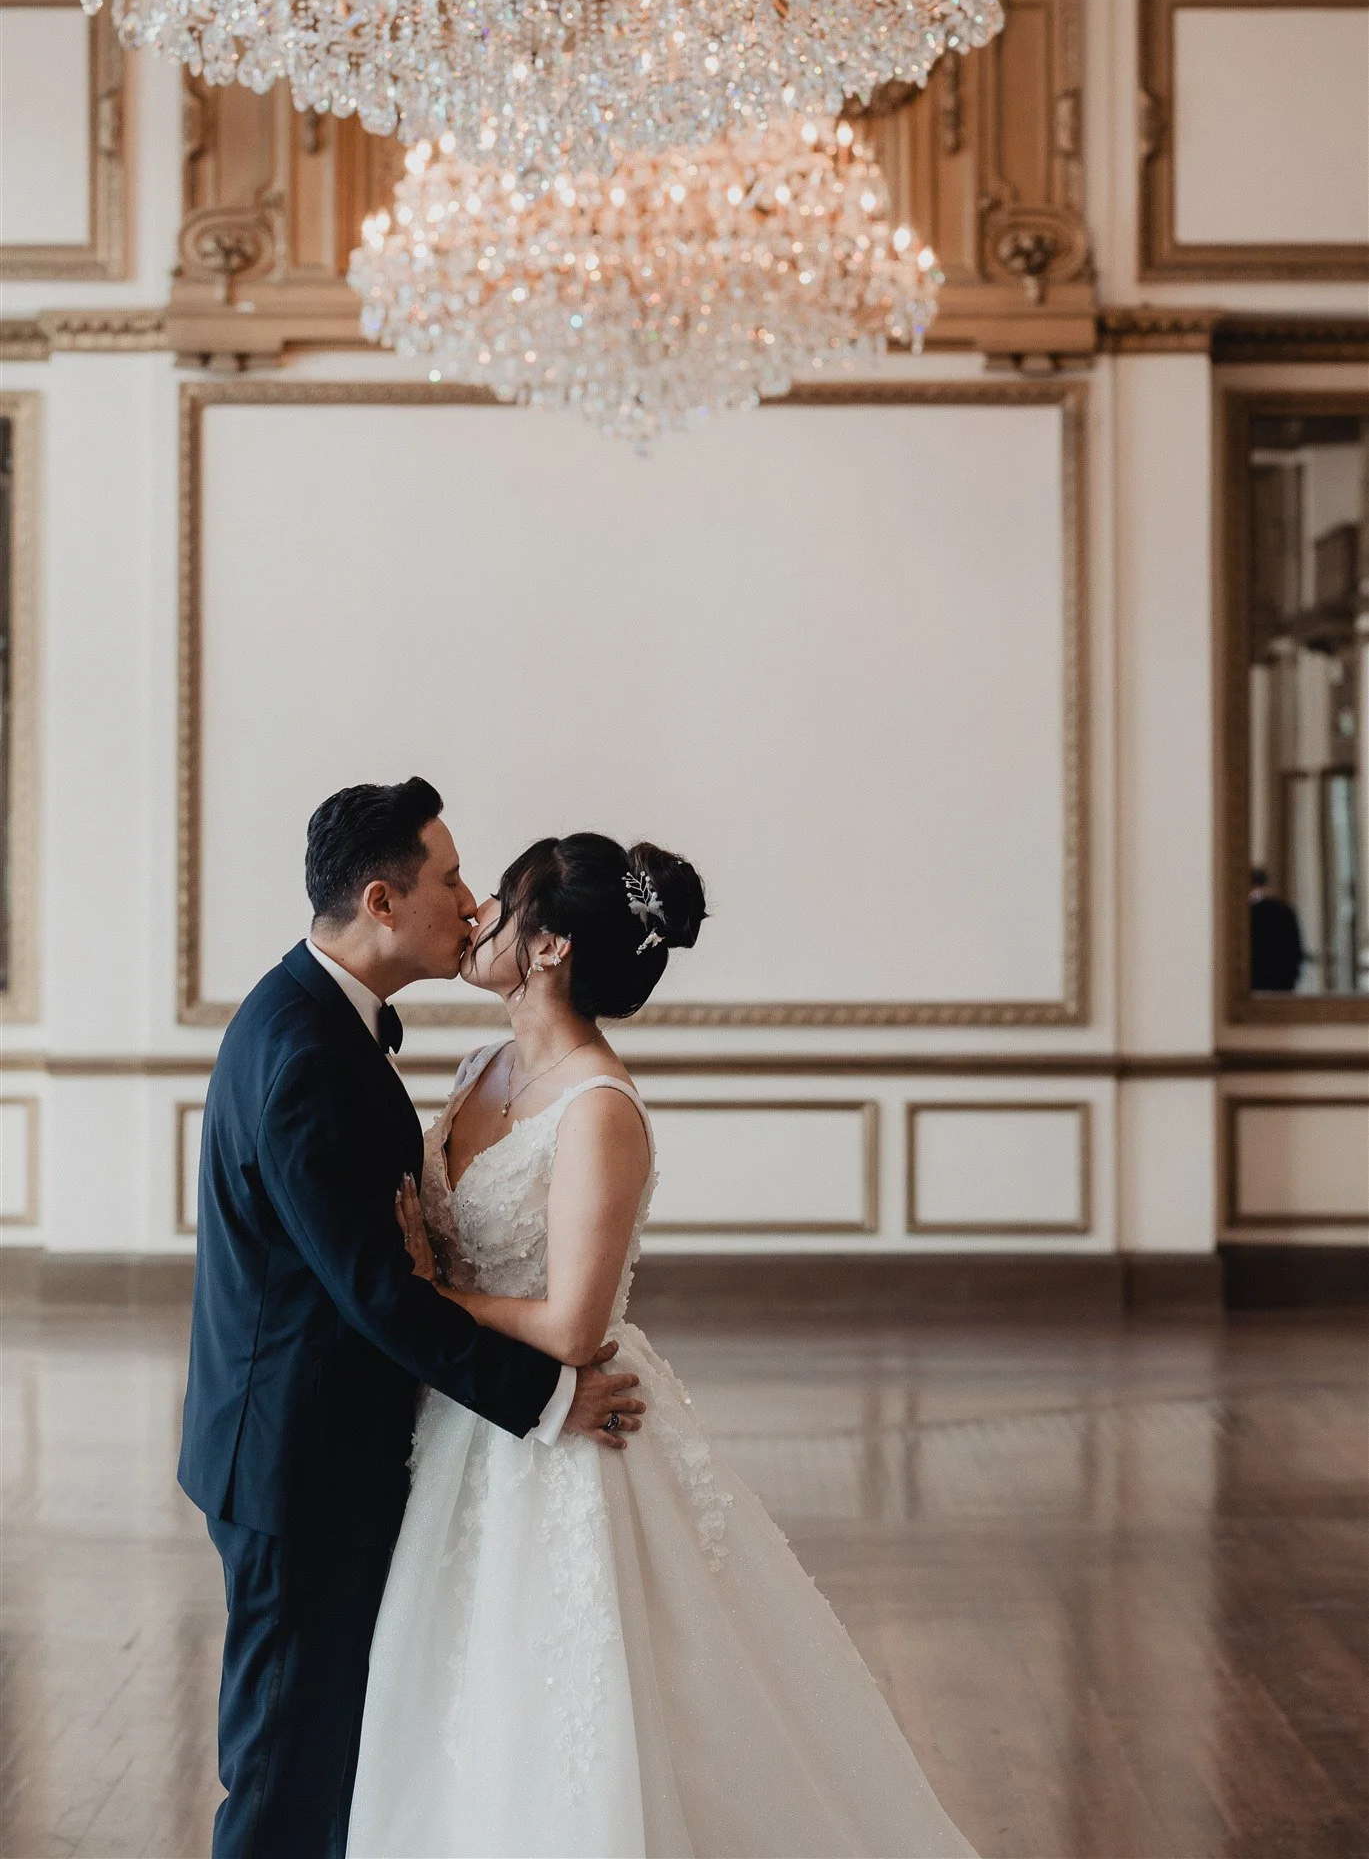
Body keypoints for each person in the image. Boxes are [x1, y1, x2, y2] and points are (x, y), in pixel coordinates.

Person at [348, 831, 978, 1859]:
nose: (476, 918)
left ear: (546, 947)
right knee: (460, 1691)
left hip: (563, 1436)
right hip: (464, 1422)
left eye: (499, 905)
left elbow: (572, 1326)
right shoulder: (477, 1067)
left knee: (581, 1703)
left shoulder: (600, 1110)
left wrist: (427, 1296)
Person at [178, 781, 645, 1859]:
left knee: (354, 1749)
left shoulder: (317, 1023)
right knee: (285, 1774)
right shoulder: (305, 1055)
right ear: (383, 900)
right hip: (296, 1466)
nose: (472, 900)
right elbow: (379, 1292)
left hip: (338, 1446)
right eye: (448, 879)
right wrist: (547, 1394)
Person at [1249, 866, 1306, 991]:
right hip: (1283, 982)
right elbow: (1295, 948)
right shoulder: (1284, 909)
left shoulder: (1245, 914)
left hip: (1256, 983)